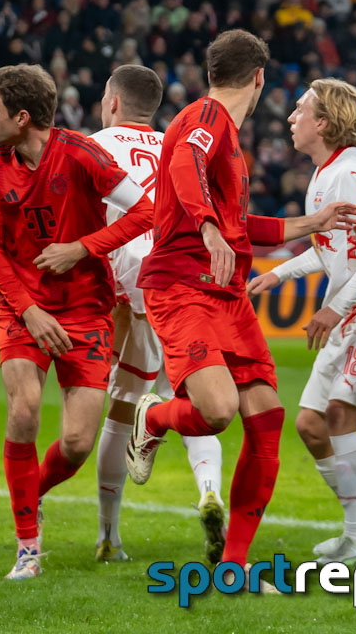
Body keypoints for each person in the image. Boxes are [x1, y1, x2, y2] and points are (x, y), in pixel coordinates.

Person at [124, 30, 356, 575]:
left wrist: (310, 224)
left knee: (267, 418)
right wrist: (207, 230)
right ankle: (154, 416)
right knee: (219, 411)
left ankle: (235, 564)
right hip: (182, 285)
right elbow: (183, 167)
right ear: (258, 79)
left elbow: (239, 227)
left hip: (224, 294)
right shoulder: (207, 120)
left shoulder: (223, 134)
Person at [0, 64, 154, 579]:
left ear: (22, 116)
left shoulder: (81, 154)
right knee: (24, 411)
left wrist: (81, 248)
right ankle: (27, 547)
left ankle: (32, 494)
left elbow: (146, 211)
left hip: (85, 308)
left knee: (77, 444)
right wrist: (29, 310)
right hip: (22, 307)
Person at [247, 79, 356, 567]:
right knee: (312, 426)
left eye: (300, 110)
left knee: (337, 417)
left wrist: (336, 308)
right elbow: (331, 250)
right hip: (349, 315)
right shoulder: (324, 175)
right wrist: (280, 276)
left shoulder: (354, 173)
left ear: (324, 122)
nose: (291, 118)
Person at [88, 65, 225, 563]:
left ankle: (109, 536)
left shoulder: (93, 145)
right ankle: (209, 489)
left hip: (133, 287)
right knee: (197, 397)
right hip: (187, 280)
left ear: (113, 102)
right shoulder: (178, 144)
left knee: (123, 409)